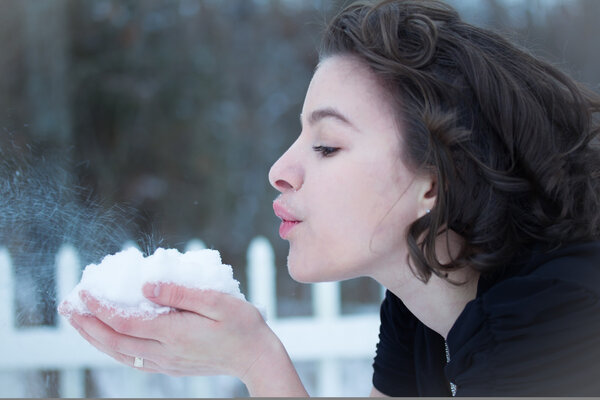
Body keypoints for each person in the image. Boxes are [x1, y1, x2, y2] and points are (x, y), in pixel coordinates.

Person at [62, 0, 600, 396]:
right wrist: (249, 356)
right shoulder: (421, 308)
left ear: (434, 184)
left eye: (326, 145)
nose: (279, 170)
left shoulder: (558, 324)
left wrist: (260, 361)